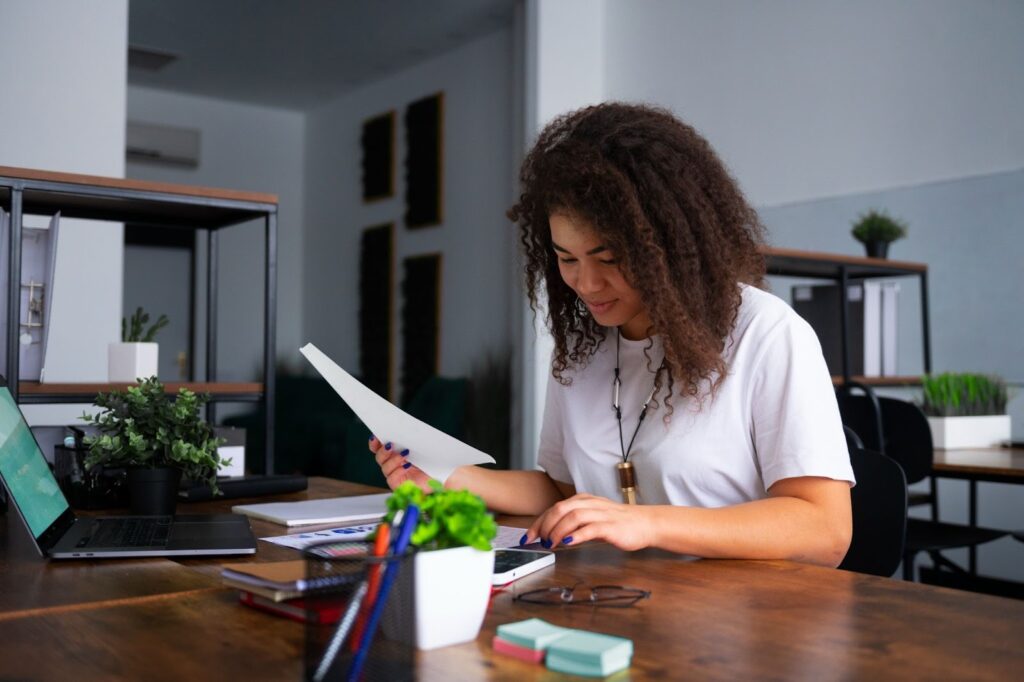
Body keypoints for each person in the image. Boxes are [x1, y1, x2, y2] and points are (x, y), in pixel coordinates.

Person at [371, 102, 854, 567]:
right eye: (566, 259)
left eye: (608, 259)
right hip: (621, 601)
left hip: (745, 623)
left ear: (669, 245)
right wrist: (453, 478)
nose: (586, 283)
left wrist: (647, 524)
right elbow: (567, 491)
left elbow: (825, 531)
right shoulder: (583, 349)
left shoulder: (766, 333)